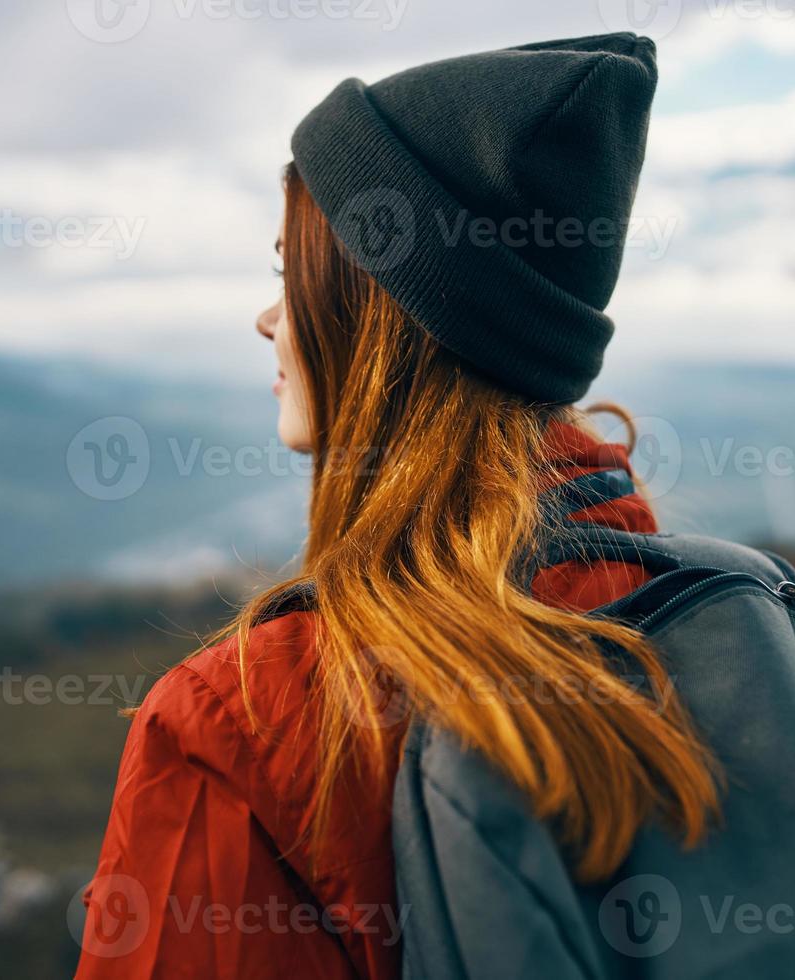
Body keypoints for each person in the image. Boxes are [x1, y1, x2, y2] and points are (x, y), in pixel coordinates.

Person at [75, 32, 721, 979]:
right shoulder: (711, 628)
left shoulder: (242, 718)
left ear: (380, 312)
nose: (267, 318)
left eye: (287, 272)